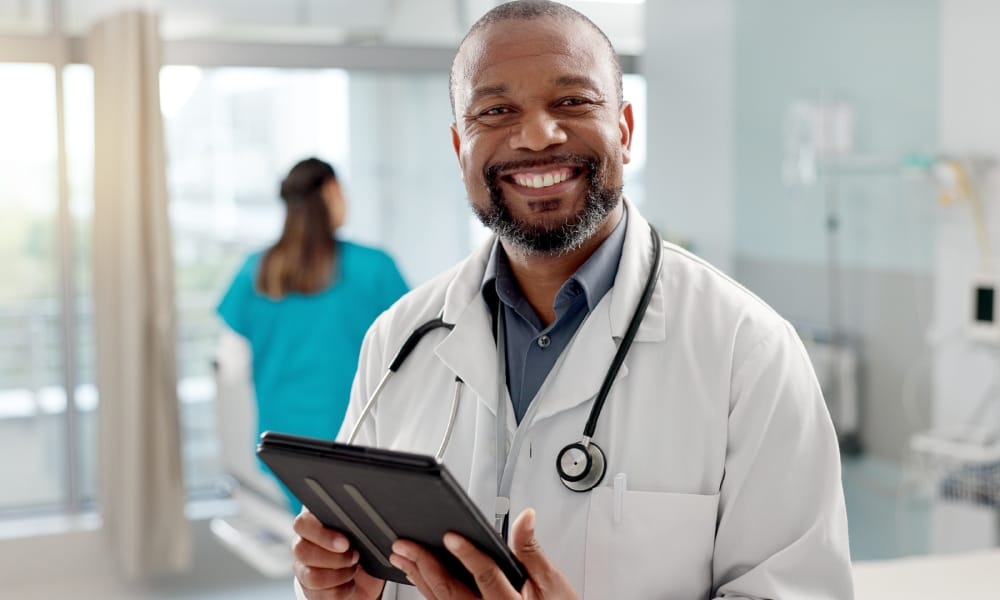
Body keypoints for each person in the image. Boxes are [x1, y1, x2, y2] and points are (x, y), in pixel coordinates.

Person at [291, 1, 854, 598]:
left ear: (626, 130)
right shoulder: (400, 337)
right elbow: (357, 554)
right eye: (496, 110)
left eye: (573, 102)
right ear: (461, 148)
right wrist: (341, 589)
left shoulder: (748, 350)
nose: (537, 135)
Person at [217, 157, 408, 513]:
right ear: (332, 192)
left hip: (282, 448)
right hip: (359, 443)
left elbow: (232, 368)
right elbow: (415, 356)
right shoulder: (374, 268)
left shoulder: (254, 271)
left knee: (309, 546)